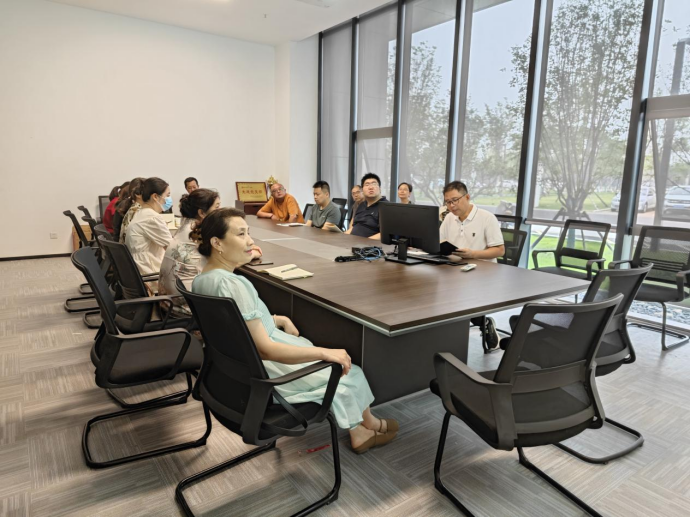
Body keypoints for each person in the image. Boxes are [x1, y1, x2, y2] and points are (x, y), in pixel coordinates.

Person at [192, 208, 399, 454]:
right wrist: (325, 353)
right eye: (241, 234)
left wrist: (276, 318)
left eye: (248, 233)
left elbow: (236, 323)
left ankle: (366, 425)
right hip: (267, 370)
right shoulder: (234, 284)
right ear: (217, 243)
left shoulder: (203, 279)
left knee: (334, 364)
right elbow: (266, 350)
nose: (250, 241)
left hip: (239, 370)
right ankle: (363, 429)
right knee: (349, 371)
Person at [159, 189, 264, 318]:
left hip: (169, 301)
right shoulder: (197, 235)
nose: (220, 211)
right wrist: (252, 254)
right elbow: (222, 262)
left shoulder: (186, 226)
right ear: (201, 213)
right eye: (217, 207)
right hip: (188, 308)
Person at [441, 181, 505, 350]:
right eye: (448, 202)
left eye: (455, 200)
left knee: (456, 296)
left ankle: (482, 322)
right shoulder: (449, 218)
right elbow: (439, 241)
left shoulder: (486, 218)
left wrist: (473, 254)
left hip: (482, 274)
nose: (451, 206)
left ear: (467, 197)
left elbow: (499, 250)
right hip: (455, 270)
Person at [125, 178, 174, 278]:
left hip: (138, 272)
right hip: (150, 273)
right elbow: (172, 250)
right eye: (167, 195)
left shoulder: (141, 213)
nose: (169, 199)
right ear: (155, 196)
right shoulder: (152, 218)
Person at [346, 173, 387, 240]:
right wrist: (343, 237)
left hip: (370, 245)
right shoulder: (361, 205)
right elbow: (354, 227)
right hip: (353, 242)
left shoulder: (386, 207)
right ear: (363, 190)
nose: (370, 187)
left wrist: (364, 243)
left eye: (374, 184)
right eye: (367, 185)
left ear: (380, 189)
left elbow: (385, 234)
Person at [119, 177, 146, 244]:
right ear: (138, 194)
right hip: (133, 248)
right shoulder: (139, 210)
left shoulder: (134, 207)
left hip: (127, 247)